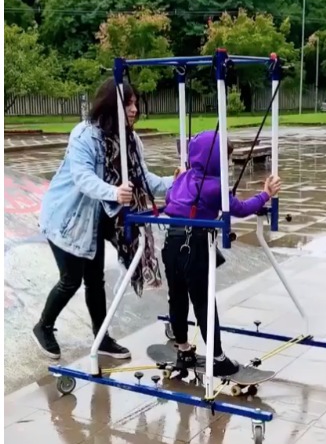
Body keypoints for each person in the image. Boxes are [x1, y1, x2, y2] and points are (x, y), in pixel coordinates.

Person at [35, 78, 174, 360]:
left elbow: (142, 178)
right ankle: (43, 327)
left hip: (98, 220)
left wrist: (177, 182)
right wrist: (114, 191)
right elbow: (83, 177)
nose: (134, 109)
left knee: (95, 281)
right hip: (67, 219)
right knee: (71, 279)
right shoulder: (85, 135)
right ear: (111, 104)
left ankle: (102, 337)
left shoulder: (130, 139)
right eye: (128, 103)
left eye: (135, 103)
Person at [160, 129, 281, 377]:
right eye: (224, 158)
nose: (226, 164)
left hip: (171, 244)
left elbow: (171, 199)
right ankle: (217, 358)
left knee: (178, 298)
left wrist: (179, 181)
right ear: (215, 160)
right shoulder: (216, 188)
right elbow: (241, 208)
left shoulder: (181, 179)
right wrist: (266, 194)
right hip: (195, 246)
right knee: (204, 303)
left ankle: (183, 350)